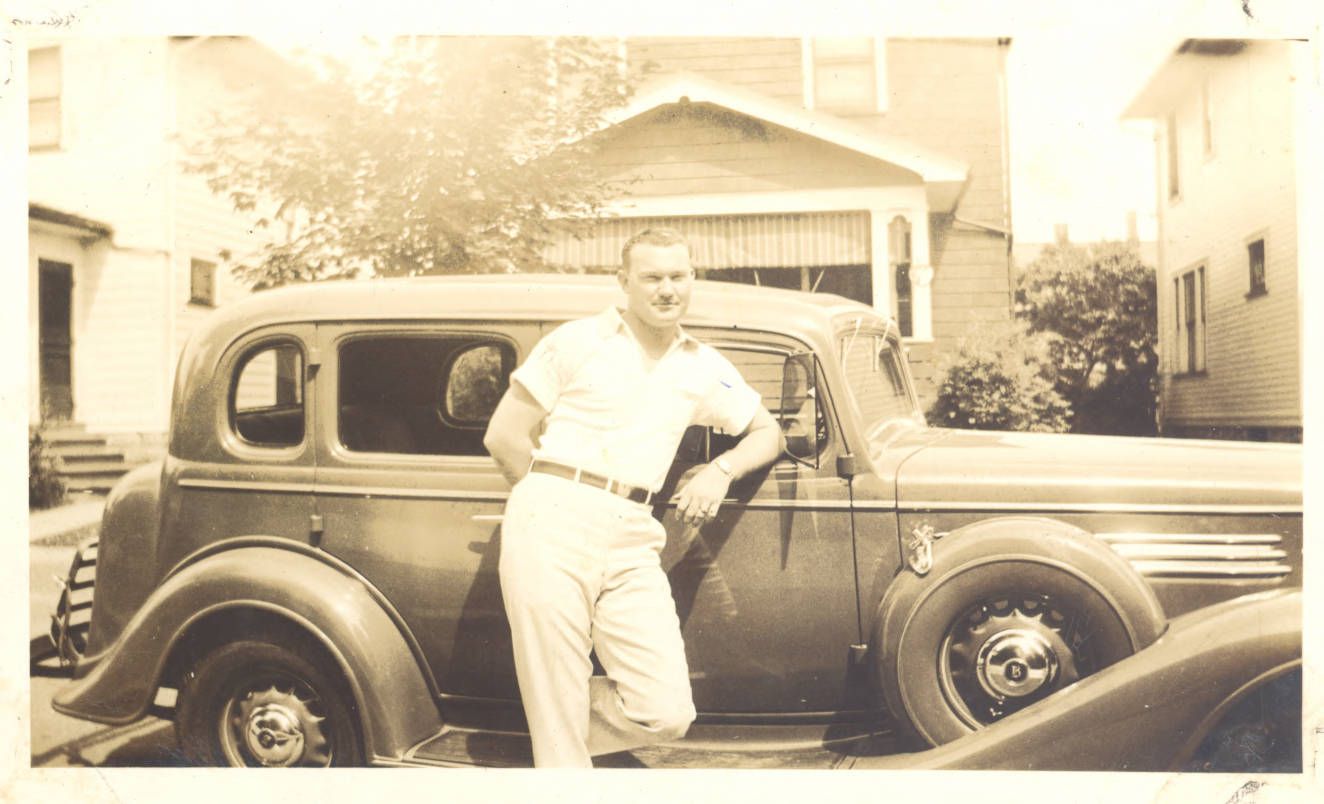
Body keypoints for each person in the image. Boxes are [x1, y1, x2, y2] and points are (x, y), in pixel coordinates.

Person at [483, 228, 784, 767]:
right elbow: (504, 436)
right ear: (623, 282)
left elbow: (768, 433)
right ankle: (557, 741)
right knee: (557, 699)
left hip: (633, 533)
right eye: (651, 277)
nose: (667, 289)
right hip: (552, 517)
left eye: (678, 276)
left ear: (693, 279)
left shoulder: (703, 365)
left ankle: (552, 731)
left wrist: (720, 469)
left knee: (666, 711)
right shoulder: (575, 341)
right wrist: (549, 505)